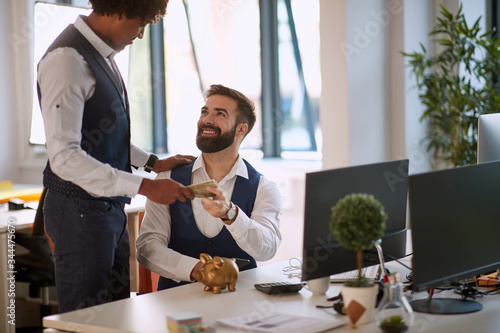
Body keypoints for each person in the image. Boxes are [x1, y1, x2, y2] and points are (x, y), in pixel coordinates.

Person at [37, 0, 194, 313]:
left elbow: (102, 132)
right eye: (142, 24)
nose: (140, 34)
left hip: (107, 209)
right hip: (78, 211)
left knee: (117, 314)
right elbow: (65, 157)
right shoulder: (67, 60)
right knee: (85, 319)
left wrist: (153, 163)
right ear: (122, 9)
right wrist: (146, 187)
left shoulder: (101, 55)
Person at [136, 84, 282, 290]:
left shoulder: (263, 188)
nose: (207, 120)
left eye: (219, 114)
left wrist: (231, 214)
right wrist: (198, 269)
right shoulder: (167, 178)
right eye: (205, 112)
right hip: (175, 305)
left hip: (241, 303)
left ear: (241, 129)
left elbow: (267, 249)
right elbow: (147, 248)